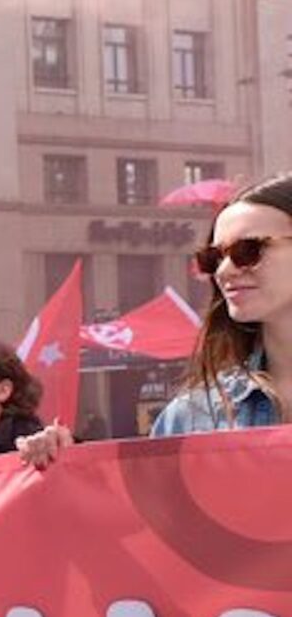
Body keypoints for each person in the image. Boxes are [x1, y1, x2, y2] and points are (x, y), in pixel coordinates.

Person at [23, 172, 289, 479]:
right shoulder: (192, 417)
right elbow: (150, 519)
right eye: (213, 258)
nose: (225, 271)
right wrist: (72, 468)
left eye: (247, 251)